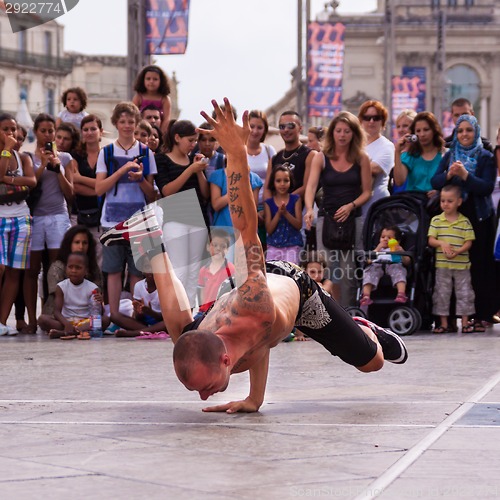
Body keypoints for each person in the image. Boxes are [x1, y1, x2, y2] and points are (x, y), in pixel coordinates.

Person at [100, 98, 408, 413]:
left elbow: (246, 227)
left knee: (373, 363)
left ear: (224, 360)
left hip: (295, 290)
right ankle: (154, 245)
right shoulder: (208, 337)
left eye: (205, 388)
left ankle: (365, 327)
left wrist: (236, 153)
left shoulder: (253, 305)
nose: (204, 397)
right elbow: (258, 341)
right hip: (259, 307)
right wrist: (254, 401)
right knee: (182, 333)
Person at [95, 102, 157, 329]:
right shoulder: (107, 152)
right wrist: (121, 171)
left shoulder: (145, 152)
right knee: (112, 270)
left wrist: (140, 178)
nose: (127, 126)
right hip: (111, 220)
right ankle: (113, 317)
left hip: (139, 220)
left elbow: (152, 194)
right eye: (123, 122)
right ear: (116, 123)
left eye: (131, 121)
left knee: (137, 272)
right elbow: (99, 188)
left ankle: (133, 317)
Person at [431, 114, 497, 330]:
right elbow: (435, 180)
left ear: (476, 132)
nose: (464, 135)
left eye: (469, 130)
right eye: (460, 131)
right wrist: (449, 175)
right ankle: (447, 318)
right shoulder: (451, 154)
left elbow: (486, 187)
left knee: (479, 267)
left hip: (478, 217)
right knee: (449, 266)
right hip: (452, 218)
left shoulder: (486, 156)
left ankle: (480, 316)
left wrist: (466, 175)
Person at [304, 111, 372, 305]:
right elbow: (311, 186)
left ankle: (350, 312)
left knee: (349, 271)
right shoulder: (321, 157)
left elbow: (367, 192)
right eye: (339, 131)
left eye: (347, 131)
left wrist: (350, 206)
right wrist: (309, 209)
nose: (342, 135)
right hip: (327, 218)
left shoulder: (361, 158)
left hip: (353, 218)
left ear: (354, 134)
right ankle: (329, 313)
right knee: (327, 268)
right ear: (332, 133)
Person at [23, 113, 75, 334]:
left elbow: (71, 194)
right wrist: (42, 165)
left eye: (51, 131)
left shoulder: (65, 158)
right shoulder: (27, 157)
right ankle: (32, 319)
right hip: (35, 218)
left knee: (56, 268)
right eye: (43, 131)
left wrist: (57, 168)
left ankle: (54, 313)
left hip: (57, 216)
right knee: (32, 269)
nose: (47, 135)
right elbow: (29, 188)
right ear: (36, 132)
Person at [154, 119, 209, 307]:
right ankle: (176, 314)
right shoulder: (161, 159)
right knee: (179, 271)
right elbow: (167, 191)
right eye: (190, 140)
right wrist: (190, 170)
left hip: (197, 219)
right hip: (174, 220)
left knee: (194, 272)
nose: (193, 145)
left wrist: (199, 171)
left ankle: (190, 316)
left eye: (195, 141)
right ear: (177, 138)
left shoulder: (193, 161)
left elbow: (205, 193)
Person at [0, 114, 36, 335]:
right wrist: (5, 150)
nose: (11, 134)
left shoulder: (23, 158)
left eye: (13, 129)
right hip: (0, 217)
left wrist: (9, 180)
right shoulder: (6, 153)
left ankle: (2, 322)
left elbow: (31, 181)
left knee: (14, 272)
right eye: (5, 129)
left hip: (21, 217)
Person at [428, 185, 476, 333]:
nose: (445, 204)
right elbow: (431, 240)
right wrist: (441, 243)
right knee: (442, 293)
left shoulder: (464, 222)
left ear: (459, 202)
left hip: (462, 265)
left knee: (465, 293)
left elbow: (469, 241)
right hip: (443, 265)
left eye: (450, 201)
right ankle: (443, 323)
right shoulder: (436, 220)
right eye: (442, 200)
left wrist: (458, 251)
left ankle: (465, 322)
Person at [38, 252, 109, 339]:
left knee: (105, 320)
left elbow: (98, 314)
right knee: (42, 319)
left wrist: (100, 302)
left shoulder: (93, 287)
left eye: (78, 268)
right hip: (66, 321)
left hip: (85, 321)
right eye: (70, 267)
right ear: (66, 268)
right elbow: (56, 312)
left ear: (86, 271)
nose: (73, 271)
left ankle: (64, 333)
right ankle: (77, 332)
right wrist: (66, 324)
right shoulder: (61, 287)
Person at [41, 225, 102, 316]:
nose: (81, 247)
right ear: (69, 244)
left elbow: (97, 293)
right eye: (77, 242)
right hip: (61, 315)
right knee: (44, 320)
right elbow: (56, 297)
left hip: (86, 314)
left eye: (84, 243)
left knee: (104, 320)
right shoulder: (58, 267)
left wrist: (99, 297)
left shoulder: (93, 267)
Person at [72, 114, 104, 262]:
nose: (89, 132)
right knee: (80, 258)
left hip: (102, 216)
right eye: (85, 129)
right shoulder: (75, 155)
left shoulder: (107, 155)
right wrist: (100, 187)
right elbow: (75, 186)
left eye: (93, 128)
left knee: (99, 259)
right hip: (79, 214)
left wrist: (81, 178)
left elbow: (109, 184)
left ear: (101, 131)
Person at [265, 111, 315, 202]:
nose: (286, 130)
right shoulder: (274, 159)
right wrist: (272, 208)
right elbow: (267, 189)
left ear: (300, 128)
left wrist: (285, 202)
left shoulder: (310, 155)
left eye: (290, 126)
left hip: (300, 212)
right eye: (282, 127)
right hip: (276, 213)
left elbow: (308, 186)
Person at [393, 111, 444, 197]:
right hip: (414, 204)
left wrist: (440, 192)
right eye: (418, 131)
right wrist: (397, 152)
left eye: (426, 130)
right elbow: (399, 181)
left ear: (434, 130)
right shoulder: (409, 155)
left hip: (438, 203)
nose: (422, 134)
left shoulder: (445, 154)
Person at [358, 100, 394, 220]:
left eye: (376, 118)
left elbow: (374, 168)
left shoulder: (387, 146)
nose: (371, 121)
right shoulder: (355, 145)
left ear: (382, 121)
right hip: (355, 206)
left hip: (377, 204)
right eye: (367, 117)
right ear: (361, 121)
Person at [246, 110, 276, 249]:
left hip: (267, 208)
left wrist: (265, 210)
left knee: (265, 250)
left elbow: (273, 182)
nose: (255, 131)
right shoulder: (239, 151)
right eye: (252, 126)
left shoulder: (269, 151)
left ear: (265, 130)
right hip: (245, 207)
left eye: (259, 127)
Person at [360, 226, 410, 306]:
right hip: (377, 265)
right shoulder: (378, 249)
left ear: (397, 241)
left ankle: (401, 294)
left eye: (389, 238)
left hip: (393, 264)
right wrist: (378, 248)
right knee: (369, 271)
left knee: (400, 271)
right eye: (383, 237)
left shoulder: (397, 249)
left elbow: (407, 262)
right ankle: (366, 296)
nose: (385, 239)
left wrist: (402, 252)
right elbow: (368, 261)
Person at [264, 164, 303, 264]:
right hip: (273, 246)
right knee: (273, 275)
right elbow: (269, 229)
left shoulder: (296, 199)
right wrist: (278, 214)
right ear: (273, 182)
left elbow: (298, 225)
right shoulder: (269, 203)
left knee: (291, 274)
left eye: (286, 180)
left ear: (290, 181)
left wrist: (286, 213)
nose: (282, 184)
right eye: (278, 181)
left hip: (292, 245)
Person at [196, 229, 235, 320]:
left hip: (220, 311)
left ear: (228, 249)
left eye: (223, 246)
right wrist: (202, 308)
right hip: (204, 311)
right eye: (215, 245)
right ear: (208, 247)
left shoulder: (231, 269)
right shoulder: (203, 270)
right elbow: (202, 292)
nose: (218, 248)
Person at [132, 65, 171, 135]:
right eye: (148, 79)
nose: (151, 81)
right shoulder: (138, 97)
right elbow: (133, 117)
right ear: (143, 80)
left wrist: (160, 134)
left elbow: (166, 119)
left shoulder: (165, 99)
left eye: (155, 79)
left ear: (161, 81)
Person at [389, 109, 417, 194]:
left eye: (405, 126)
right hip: (399, 200)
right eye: (398, 126)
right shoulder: (399, 152)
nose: (400, 130)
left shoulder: (421, 152)